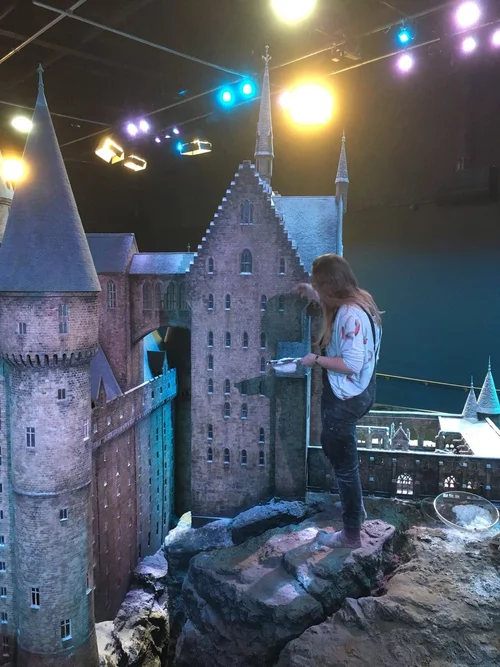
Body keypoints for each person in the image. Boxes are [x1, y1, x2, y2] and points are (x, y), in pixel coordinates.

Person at [297, 254, 382, 549]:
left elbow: (351, 364)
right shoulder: (362, 300)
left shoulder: (348, 314)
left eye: (319, 284)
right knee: (340, 453)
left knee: (344, 465)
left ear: (331, 286)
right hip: (362, 391)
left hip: (346, 396)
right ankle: (355, 510)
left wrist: (315, 359)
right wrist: (312, 292)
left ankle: (351, 535)